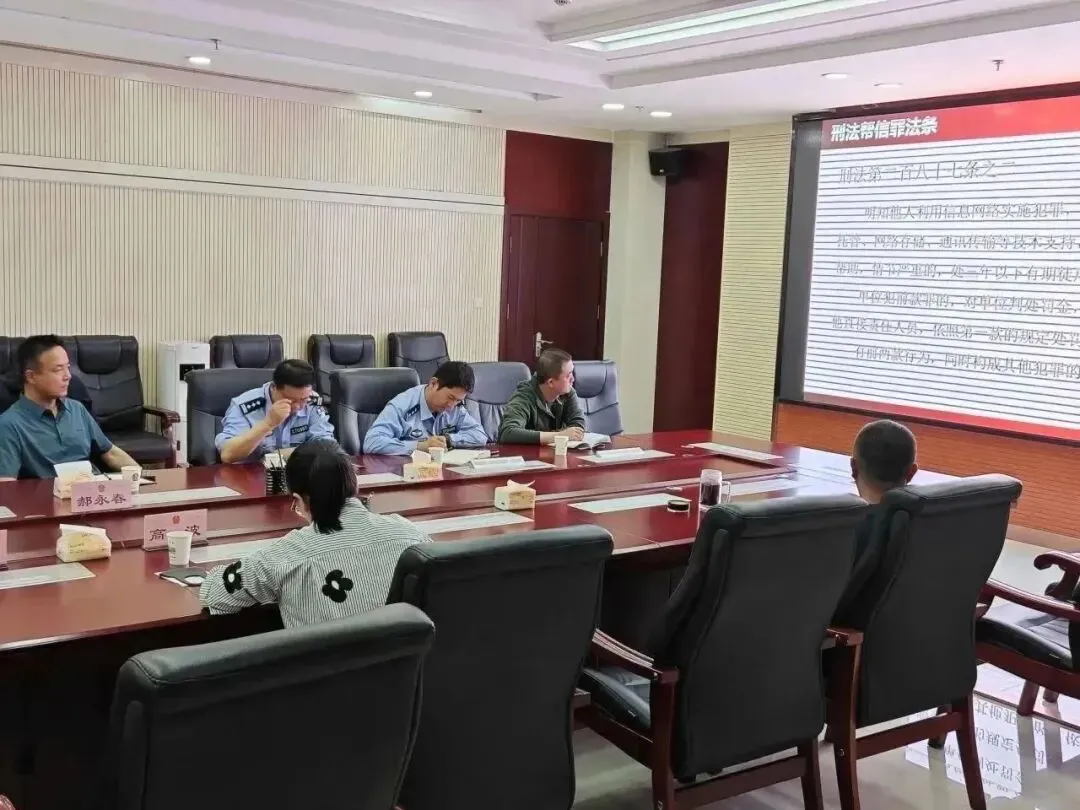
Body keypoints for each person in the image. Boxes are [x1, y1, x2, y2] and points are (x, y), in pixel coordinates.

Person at [199, 439, 430, 627]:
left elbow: (215, 594)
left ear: (299, 500)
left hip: (328, 671)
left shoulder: (285, 556)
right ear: (355, 485)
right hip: (407, 668)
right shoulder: (410, 535)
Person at [0, 335, 139, 480]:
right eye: (58, 369)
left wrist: (140, 477)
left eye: (67, 367)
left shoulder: (76, 408)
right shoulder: (8, 425)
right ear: (31, 377)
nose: (68, 376)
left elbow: (111, 453)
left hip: (92, 488)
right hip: (48, 493)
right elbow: (6, 483)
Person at [834, 419, 918, 621]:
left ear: (853, 467)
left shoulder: (843, 532)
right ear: (912, 472)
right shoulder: (932, 524)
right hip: (916, 631)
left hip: (848, 637)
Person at [216, 359, 334, 463]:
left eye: (303, 399)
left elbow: (326, 446)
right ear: (274, 387)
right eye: (291, 400)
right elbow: (228, 455)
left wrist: (277, 455)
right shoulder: (244, 406)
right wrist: (267, 424)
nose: (297, 407)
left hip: (297, 473)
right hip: (251, 475)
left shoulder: (312, 401)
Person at [363, 360, 488, 455]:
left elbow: (480, 435)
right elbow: (372, 442)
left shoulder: (456, 407)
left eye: (458, 400)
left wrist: (448, 439)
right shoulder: (403, 405)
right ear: (433, 383)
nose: (451, 406)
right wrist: (419, 446)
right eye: (450, 397)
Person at [498, 348, 586, 445]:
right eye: (568, 376)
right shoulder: (524, 396)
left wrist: (563, 435)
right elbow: (507, 432)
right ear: (551, 382)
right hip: (527, 454)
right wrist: (559, 436)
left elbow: (578, 427)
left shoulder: (567, 392)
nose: (573, 379)